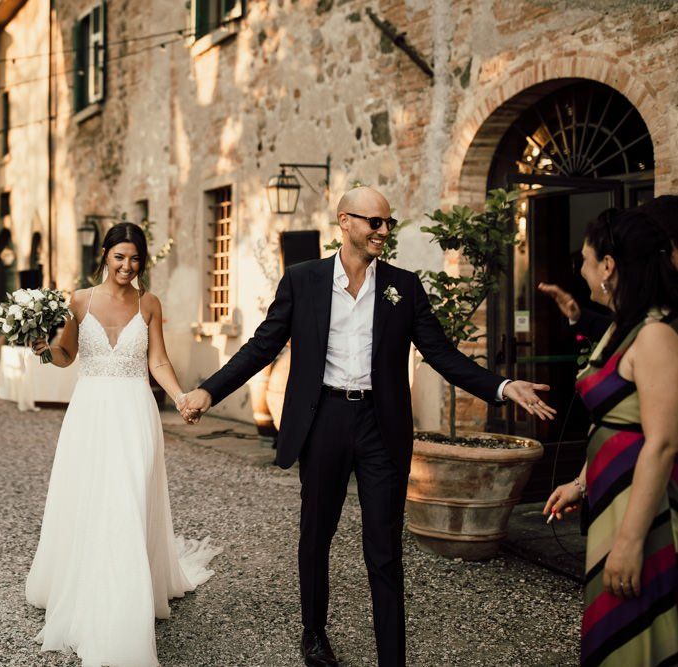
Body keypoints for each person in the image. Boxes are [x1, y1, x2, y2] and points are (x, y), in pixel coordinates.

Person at [177, 186, 555, 667]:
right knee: (317, 533)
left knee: (384, 545)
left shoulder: (404, 285)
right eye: (373, 222)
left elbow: (440, 353)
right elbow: (261, 346)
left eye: (387, 223)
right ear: (344, 222)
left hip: (381, 425)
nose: (382, 231)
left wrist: (501, 387)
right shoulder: (303, 280)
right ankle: (314, 634)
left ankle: (391, 659)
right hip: (324, 420)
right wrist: (209, 391)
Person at [26, 222, 221, 666]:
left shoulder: (149, 303)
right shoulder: (79, 300)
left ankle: (129, 598)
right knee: (92, 499)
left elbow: (158, 360)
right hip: (90, 412)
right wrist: (43, 348)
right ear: (105, 256)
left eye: (134, 259)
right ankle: (88, 589)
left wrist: (180, 397)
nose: (126, 266)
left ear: (142, 261)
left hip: (135, 412)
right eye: (119, 257)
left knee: (130, 499)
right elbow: (66, 356)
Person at [544, 208, 678, 666]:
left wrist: (629, 541)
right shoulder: (621, 329)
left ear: (608, 266)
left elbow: (661, 442)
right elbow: (613, 421)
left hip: (642, 512)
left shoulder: (656, 335)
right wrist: (581, 483)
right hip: (609, 503)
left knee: (634, 636)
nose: (579, 269)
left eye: (585, 259)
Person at [539, 195, 678, 340]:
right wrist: (578, 317)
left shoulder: (657, 330)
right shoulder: (641, 317)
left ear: (607, 265)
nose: (582, 271)